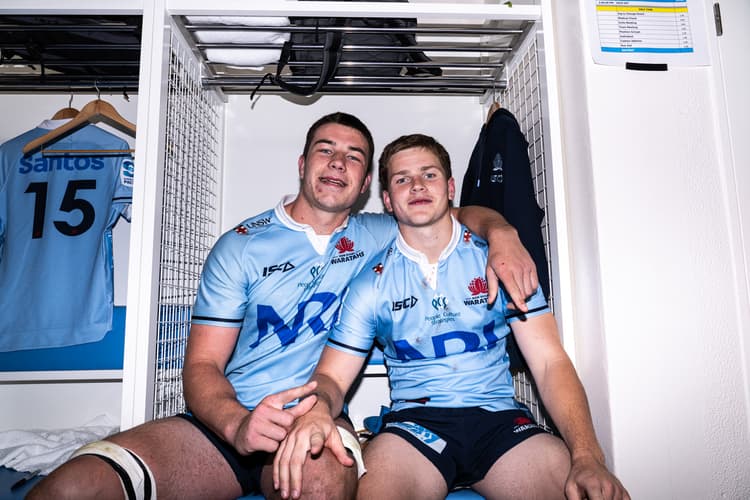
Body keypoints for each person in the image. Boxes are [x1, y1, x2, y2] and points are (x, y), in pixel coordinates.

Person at [28, 114, 539, 500]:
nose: (338, 162)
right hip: (225, 425)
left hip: (314, 422)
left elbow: (452, 211)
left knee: (316, 482)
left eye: (354, 156)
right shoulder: (240, 245)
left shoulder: (388, 235)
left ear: (368, 189)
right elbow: (202, 366)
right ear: (303, 164)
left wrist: (502, 233)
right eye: (325, 150)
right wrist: (235, 425)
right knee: (73, 488)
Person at [274, 134, 630, 500]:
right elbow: (333, 375)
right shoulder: (370, 283)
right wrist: (318, 411)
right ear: (387, 200)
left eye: (428, 175)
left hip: (500, 423)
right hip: (414, 431)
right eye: (401, 179)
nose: (416, 186)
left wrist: (588, 455)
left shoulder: (502, 262)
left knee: (583, 492)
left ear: (450, 188)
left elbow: (550, 363)